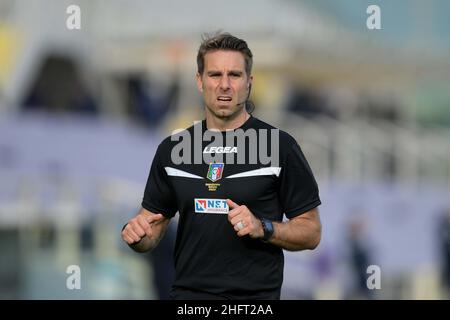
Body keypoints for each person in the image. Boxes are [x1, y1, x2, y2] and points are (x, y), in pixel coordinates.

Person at [121, 32, 322, 299]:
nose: (224, 85)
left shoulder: (280, 147)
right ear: (200, 81)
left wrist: (264, 227)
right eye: (215, 75)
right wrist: (138, 235)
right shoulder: (172, 150)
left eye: (235, 75)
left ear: (248, 83)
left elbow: (311, 231)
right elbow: (151, 231)